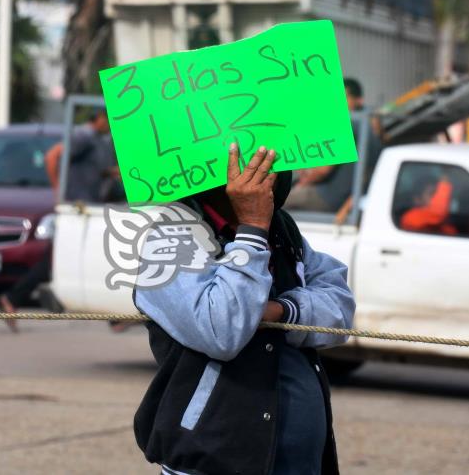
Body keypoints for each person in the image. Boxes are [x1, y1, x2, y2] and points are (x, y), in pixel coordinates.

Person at [133, 144, 355, 475]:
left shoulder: (282, 229)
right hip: (215, 458)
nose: (268, 170)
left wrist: (282, 311)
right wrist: (251, 232)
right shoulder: (173, 237)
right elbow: (221, 331)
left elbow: (339, 305)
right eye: (254, 161)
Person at [0, 108, 119, 332]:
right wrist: (58, 192)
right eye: (108, 120)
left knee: (58, 258)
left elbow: (96, 171)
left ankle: (13, 298)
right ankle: (13, 298)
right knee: (60, 259)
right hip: (76, 211)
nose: (110, 125)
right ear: (100, 118)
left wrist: (115, 173)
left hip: (88, 211)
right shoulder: (84, 136)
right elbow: (52, 156)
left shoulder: (99, 141)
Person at [285, 78, 383, 213]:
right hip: (343, 199)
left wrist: (304, 182)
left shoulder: (347, 125)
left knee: (274, 201)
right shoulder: (370, 127)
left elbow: (323, 170)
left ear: (358, 100)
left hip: (327, 196)